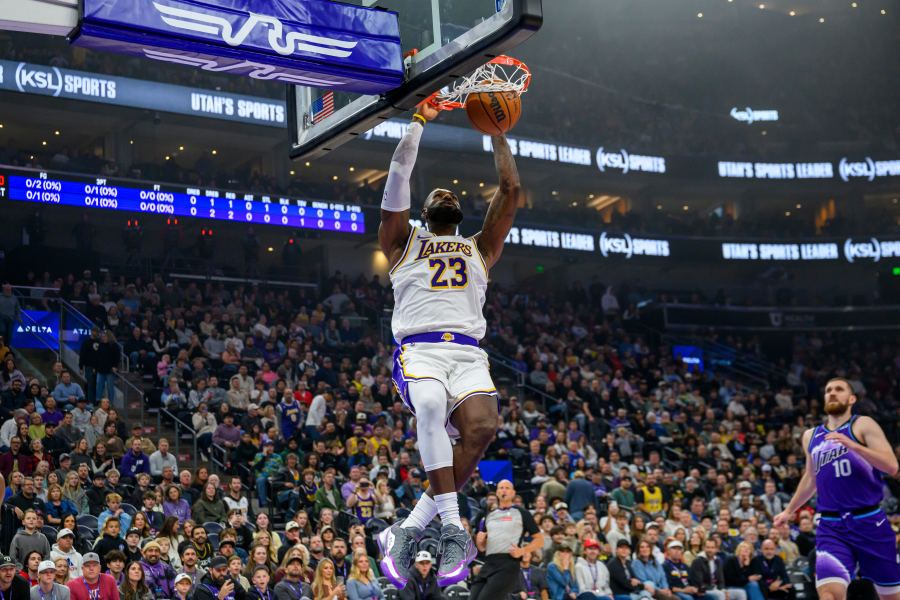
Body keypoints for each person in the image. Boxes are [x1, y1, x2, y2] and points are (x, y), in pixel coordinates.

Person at [378, 100, 524, 587]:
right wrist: (419, 122)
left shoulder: (480, 246)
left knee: (483, 428)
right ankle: (452, 526)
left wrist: (497, 131)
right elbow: (399, 172)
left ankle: (409, 527)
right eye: (437, 193)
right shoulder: (402, 242)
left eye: (452, 193)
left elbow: (511, 189)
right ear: (422, 213)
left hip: (467, 353)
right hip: (420, 350)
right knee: (430, 405)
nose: (446, 193)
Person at [773, 377, 900, 600]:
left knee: (890, 596)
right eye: (828, 390)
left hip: (869, 521)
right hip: (831, 525)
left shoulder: (863, 424)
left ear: (851, 399)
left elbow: (891, 466)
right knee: (829, 594)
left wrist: (853, 446)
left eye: (839, 389)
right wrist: (789, 510)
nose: (832, 393)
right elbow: (811, 478)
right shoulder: (811, 436)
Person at [469, 480, 545, 600]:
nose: (503, 490)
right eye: (501, 488)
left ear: (513, 493)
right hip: (489, 563)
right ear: (497, 492)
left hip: (508, 563)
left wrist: (522, 551)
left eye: (507, 488)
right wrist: (480, 541)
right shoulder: (489, 515)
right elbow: (483, 548)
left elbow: (539, 540)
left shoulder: (522, 513)